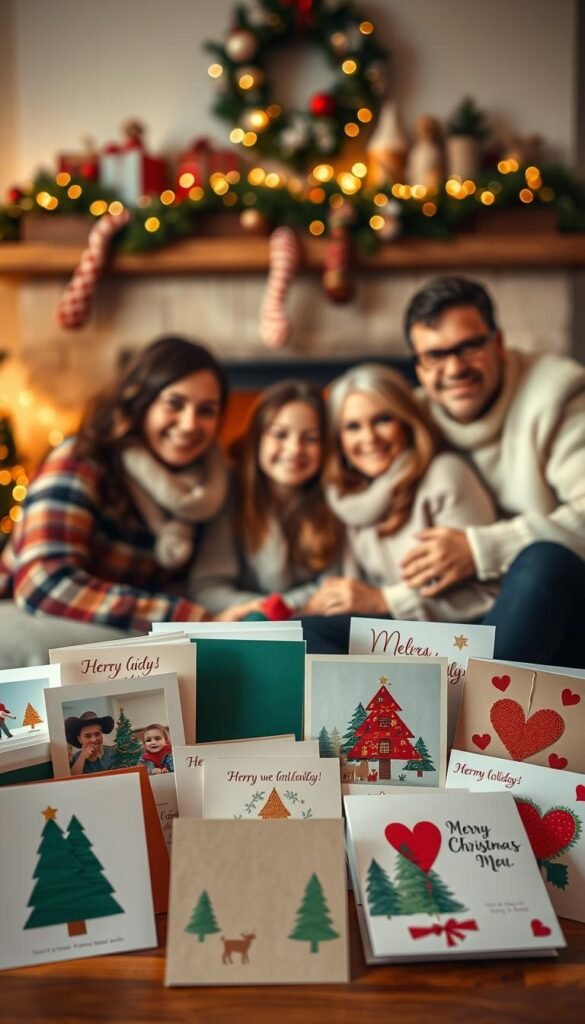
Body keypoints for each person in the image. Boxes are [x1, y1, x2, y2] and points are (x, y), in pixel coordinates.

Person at [0, 335, 236, 667]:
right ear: (140, 401)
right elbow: (45, 584)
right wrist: (190, 616)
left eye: (206, 411)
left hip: (123, 626)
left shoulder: (210, 487)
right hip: (32, 611)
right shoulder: (82, 459)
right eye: (174, 403)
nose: (189, 424)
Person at [402, 275, 585, 666]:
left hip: (562, 611)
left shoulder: (558, 394)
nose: (454, 368)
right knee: (325, 628)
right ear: (419, 367)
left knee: (542, 561)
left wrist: (478, 549)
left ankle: (470, 721)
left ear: (498, 344)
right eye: (435, 355)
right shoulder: (411, 421)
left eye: (469, 347)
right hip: (463, 610)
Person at [301, 364, 496, 646]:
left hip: (457, 638)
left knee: (313, 633)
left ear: (407, 422)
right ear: (339, 440)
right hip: (392, 637)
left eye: (382, 419)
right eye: (353, 426)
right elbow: (342, 589)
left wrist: (384, 600)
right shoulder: (345, 497)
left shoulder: (445, 474)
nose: (369, 438)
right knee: (302, 630)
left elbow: (487, 592)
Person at [209, 380, 343, 620]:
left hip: (309, 621)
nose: (294, 449)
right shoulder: (231, 493)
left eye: (310, 438)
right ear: (257, 439)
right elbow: (208, 587)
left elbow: (332, 585)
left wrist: (288, 606)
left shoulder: (334, 499)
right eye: (280, 434)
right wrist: (267, 607)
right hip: (246, 617)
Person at [66, 710, 115, 775]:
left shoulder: (113, 753)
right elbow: (71, 780)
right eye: (88, 736)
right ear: (80, 739)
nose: (94, 740)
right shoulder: (74, 759)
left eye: (97, 734)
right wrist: (82, 756)